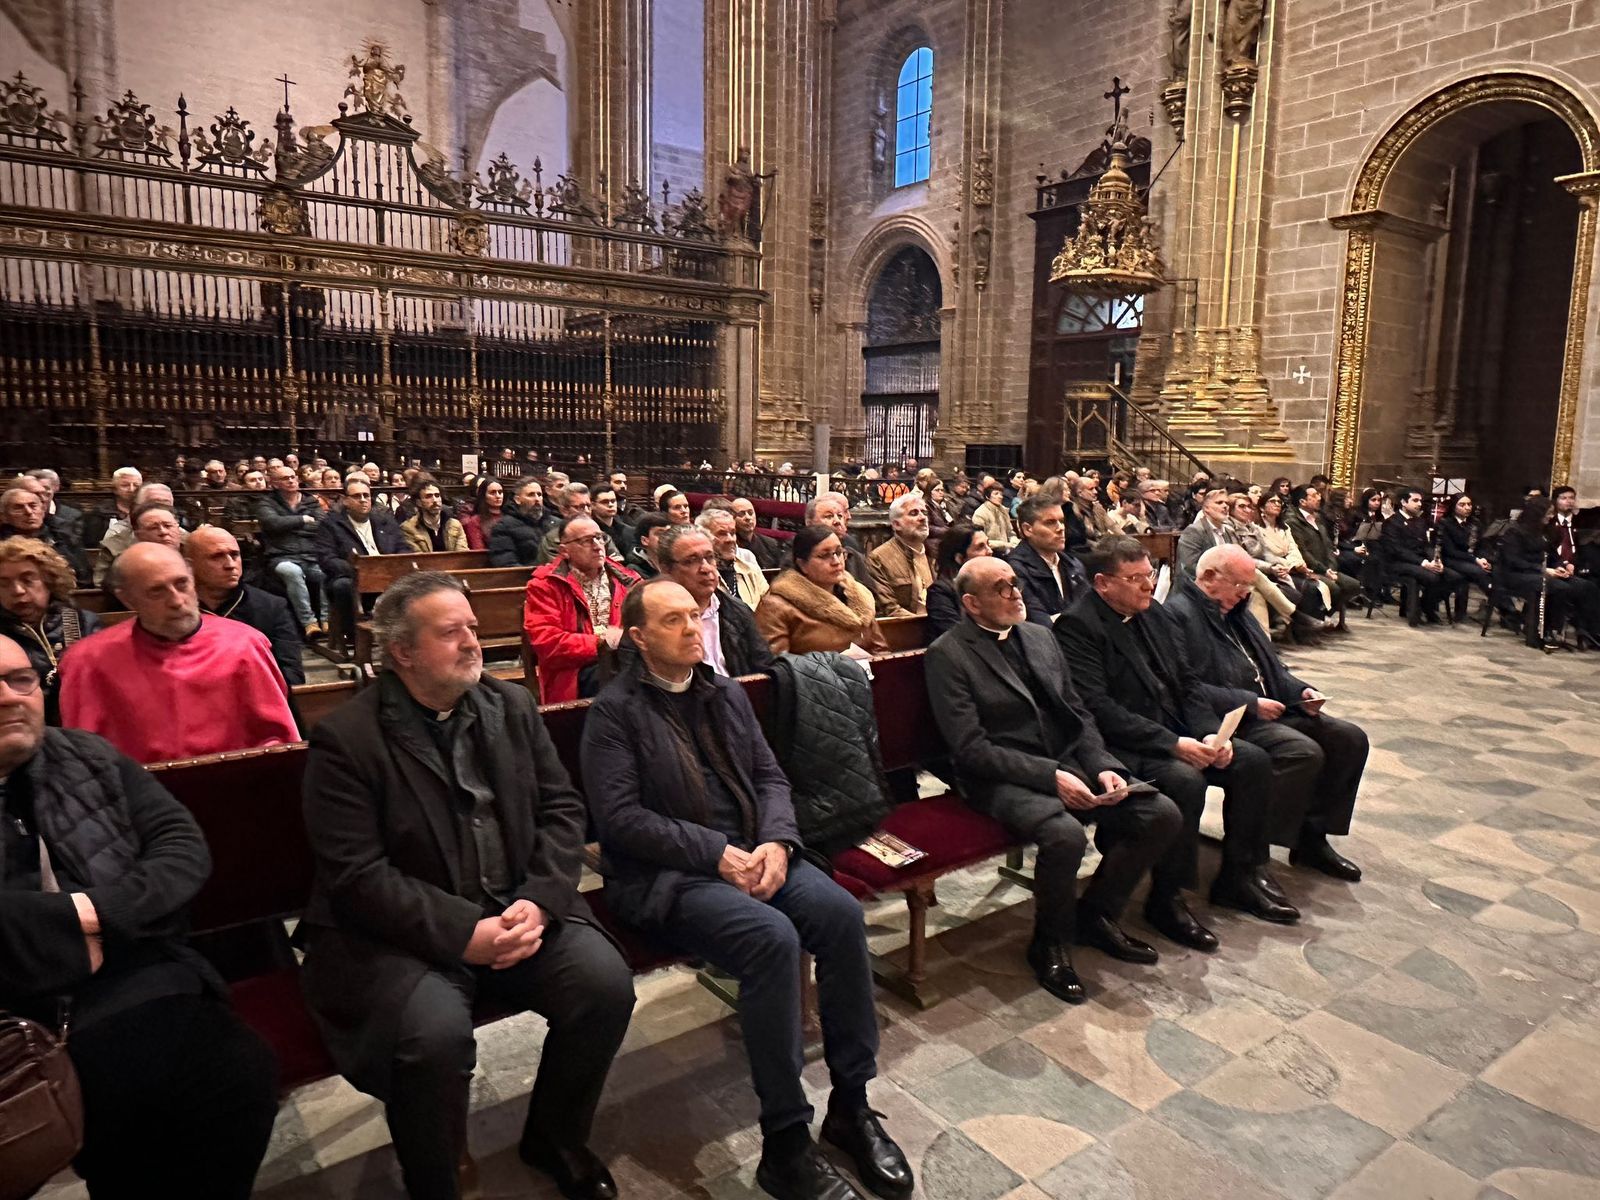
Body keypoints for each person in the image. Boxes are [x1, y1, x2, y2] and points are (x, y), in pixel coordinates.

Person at [300, 572, 634, 1200]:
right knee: (430, 1038)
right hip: (405, 934)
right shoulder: (349, 738)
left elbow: (562, 809)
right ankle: (435, 1176)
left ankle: (556, 1138)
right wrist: (463, 933)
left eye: (474, 629)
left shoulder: (507, 705)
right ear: (402, 651)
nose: (472, 643)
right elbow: (356, 875)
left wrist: (539, 897)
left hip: (515, 905)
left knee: (603, 984)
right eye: (451, 633)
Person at [582, 578, 912, 1200]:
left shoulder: (723, 692)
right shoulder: (615, 712)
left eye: (695, 615)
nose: (692, 627)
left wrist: (780, 843)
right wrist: (716, 853)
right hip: (671, 875)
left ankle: (851, 1104)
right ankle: (786, 1144)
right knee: (772, 939)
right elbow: (620, 819)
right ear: (638, 636)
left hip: (757, 853)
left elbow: (770, 777)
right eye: (673, 619)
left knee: (839, 915)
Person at [0, 634, 279, 1198]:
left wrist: (96, 912)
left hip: (142, 975)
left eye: (20, 679)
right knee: (115, 1107)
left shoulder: (87, 756)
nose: (10, 698)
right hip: (17, 1007)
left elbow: (180, 849)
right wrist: (69, 927)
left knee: (238, 1072)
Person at [926, 557, 1182, 1003]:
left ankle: (1096, 916)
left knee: (1160, 813)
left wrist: (1103, 764)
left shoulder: (1040, 636)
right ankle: (1050, 943)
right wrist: (1053, 776)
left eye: (1015, 583)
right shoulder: (949, 654)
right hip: (999, 776)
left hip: (1065, 760)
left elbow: (1078, 712)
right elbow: (971, 749)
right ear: (971, 603)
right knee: (1064, 836)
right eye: (1002, 588)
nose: (1016, 593)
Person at [1057, 537, 1292, 947]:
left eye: (1149, 575)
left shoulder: (1153, 613)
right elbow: (1098, 708)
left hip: (1176, 731)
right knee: (1185, 780)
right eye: (1135, 579)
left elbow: (1186, 682)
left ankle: (1239, 875)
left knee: (1251, 761)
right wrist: (1173, 743)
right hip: (1123, 743)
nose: (1148, 586)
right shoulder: (1079, 626)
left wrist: (1207, 733)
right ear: (1102, 583)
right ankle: (1167, 897)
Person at [1164, 546, 1367, 880]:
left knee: (1348, 739)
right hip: (1228, 719)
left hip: (1270, 707)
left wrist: (1300, 690)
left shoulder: (1238, 610)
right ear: (1210, 577)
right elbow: (1184, 689)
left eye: (1249, 586)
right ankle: (1251, 856)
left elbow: (1271, 666)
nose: (1245, 593)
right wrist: (1249, 702)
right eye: (1239, 585)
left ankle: (1312, 839)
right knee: (1300, 752)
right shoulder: (1178, 615)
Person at [57, 543, 298, 763]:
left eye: (182, 584)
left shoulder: (245, 644)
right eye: (156, 591)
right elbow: (86, 760)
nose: (176, 601)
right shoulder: (88, 661)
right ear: (127, 598)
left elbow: (280, 741)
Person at [523, 516, 640, 703]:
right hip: (575, 674)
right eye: (586, 541)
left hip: (625, 662)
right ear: (564, 551)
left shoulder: (627, 580)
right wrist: (601, 641)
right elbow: (548, 642)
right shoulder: (545, 586)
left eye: (600, 537)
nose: (597, 545)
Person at [187, 525, 306, 687]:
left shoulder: (272, 607)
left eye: (235, 555)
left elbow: (292, 676)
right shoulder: (177, 610)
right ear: (190, 565)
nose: (230, 564)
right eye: (216, 557)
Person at [0, 537, 102, 724]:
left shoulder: (82, 622)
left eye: (28, 580)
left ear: (49, 581)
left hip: (85, 724)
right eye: (4, 584)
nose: (17, 591)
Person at [656, 524, 776, 676]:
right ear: (666, 570)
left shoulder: (738, 610)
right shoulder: (651, 615)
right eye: (691, 561)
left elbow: (763, 669)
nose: (706, 568)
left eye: (709, 557)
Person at [756, 525, 889, 658]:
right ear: (802, 564)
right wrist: (838, 663)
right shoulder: (775, 606)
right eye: (825, 555)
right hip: (816, 677)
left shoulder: (857, 596)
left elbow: (881, 651)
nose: (836, 562)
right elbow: (778, 666)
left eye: (839, 552)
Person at [315, 473, 410, 641]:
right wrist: (360, 570)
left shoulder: (385, 521)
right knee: (342, 585)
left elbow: (403, 548)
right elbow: (327, 558)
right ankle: (354, 635)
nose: (363, 500)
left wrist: (394, 565)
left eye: (366, 495)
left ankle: (405, 630)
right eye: (357, 496)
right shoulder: (331, 524)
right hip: (353, 575)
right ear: (345, 500)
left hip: (387, 573)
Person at [1498, 495, 1600, 648]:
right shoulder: (1514, 531)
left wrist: (1560, 566)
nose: (1551, 516)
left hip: (1541, 572)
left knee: (1587, 587)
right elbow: (1513, 561)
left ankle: (1589, 630)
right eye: (1548, 513)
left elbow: (1553, 555)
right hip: (1517, 575)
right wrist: (1544, 570)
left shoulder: (1546, 531)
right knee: (1559, 587)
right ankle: (1549, 630)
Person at [257, 462, 328, 639]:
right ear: (274, 483)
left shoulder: (310, 500)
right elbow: (272, 524)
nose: (290, 480)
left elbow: (322, 525)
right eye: (285, 478)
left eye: (292, 477)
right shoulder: (267, 502)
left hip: (311, 555)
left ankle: (328, 621)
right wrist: (303, 519)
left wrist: (289, 524)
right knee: (292, 572)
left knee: (327, 572)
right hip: (281, 556)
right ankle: (309, 623)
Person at [1381, 487, 1460, 623]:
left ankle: (1425, 605)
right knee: (1432, 577)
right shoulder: (1391, 522)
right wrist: (1423, 563)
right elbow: (1397, 550)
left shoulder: (1421, 522)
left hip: (1419, 561)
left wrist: (1436, 561)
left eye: (1420, 501)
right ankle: (1423, 608)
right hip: (1397, 563)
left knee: (1454, 577)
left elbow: (1427, 546)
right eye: (1415, 500)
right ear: (1404, 502)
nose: (1419, 504)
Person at [1009, 496, 1088, 626]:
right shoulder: (1015, 569)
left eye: (1061, 521)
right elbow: (1039, 623)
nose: (1061, 528)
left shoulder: (1073, 564)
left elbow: (1091, 611)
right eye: (1050, 522)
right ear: (1028, 529)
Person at [1283, 484, 1360, 613]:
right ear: (1302, 502)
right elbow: (1303, 551)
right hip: (1309, 569)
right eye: (1314, 496)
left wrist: (1331, 568)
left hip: (1326, 568)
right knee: (1334, 588)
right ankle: (1318, 615)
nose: (1319, 498)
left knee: (1353, 585)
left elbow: (1329, 546)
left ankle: (1325, 612)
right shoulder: (1293, 520)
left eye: (1318, 494)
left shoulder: (1318, 519)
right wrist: (1324, 571)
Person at [1, 484, 92, 585]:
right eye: (18, 508)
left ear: (42, 510)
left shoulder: (64, 536)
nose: (28, 512)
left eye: (33, 506)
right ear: (4, 516)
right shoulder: (3, 543)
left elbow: (84, 575)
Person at [866, 492, 933, 618]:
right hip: (906, 629)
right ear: (896, 524)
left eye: (924, 513)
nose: (923, 518)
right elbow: (889, 608)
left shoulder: (935, 555)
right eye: (914, 513)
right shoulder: (879, 558)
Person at [925, 522, 992, 639]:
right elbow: (957, 637)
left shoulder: (993, 585)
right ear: (959, 558)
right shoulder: (940, 592)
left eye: (988, 544)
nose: (990, 551)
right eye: (980, 547)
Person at [700, 505, 769, 609]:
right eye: (722, 534)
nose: (730, 539)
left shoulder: (751, 570)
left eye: (732, 533)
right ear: (703, 537)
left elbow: (769, 608)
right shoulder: (701, 577)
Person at [538, 484, 621, 564]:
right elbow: (560, 569)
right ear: (564, 510)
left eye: (588, 506)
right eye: (580, 507)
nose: (587, 511)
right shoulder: (552, 541)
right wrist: (603, 562)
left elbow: (618, 564)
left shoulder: (602, 536)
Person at [805, 493, 873, 588]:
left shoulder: (854, 554)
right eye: (828, 516)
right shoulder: (798, 551)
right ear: (809, 523)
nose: (837, 521)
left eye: (840, 516)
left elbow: (872, 592)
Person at [489, 478, 556, 567]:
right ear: (517, 499)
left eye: (539, 495)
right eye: (531, 495)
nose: (537, 499)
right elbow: (506, 564)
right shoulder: (503, 527)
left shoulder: (555, 523)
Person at [1176, 488, 1238, 578]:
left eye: (1227, 503)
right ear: (1206, 508)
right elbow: (1189, 568)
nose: (1225, 506)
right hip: (1197, 587)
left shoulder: (1229, 532)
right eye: (1219, 503)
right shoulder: (1193, 532)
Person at [401, 480, 469, 554]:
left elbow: (462, 555)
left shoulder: (454, 524)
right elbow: (418, 558)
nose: (435, 500)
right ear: (419, 502)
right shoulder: (409, 528)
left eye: (437, 495)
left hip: (453, 565)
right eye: (428, 496)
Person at [733, 496, 786, 570]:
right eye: (741, 514)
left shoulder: (771, 544)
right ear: (732, 518)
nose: (748, 517)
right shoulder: (731, 546)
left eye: (750, 513)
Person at [1064, 475, 1111, 557]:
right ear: (1080, 493)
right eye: (1091, 489)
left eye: (1095, 488)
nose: (1095, 492)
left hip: (1097, 546)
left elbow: (1112, 525)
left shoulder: (1097, 507)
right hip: (1080, 552)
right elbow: (1079, 539)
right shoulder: (1073, 510)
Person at [462, 477, 506, 550]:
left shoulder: (509, 516)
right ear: (483, 496)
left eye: (500, 492)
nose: (498, 496)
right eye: (492, 492)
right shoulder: (475, 521)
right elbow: (479, 551)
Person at [970, 482, 1017, 551]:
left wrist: (1014, 541)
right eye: (996, 494)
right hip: (989, 550)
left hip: (1007, 549)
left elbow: (1010, 532)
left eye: (1001, 494)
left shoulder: (1003, 510)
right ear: (987, 496)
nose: (1000, 496)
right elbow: (980, 540)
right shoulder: (980, 513)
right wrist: (1005, 544)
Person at [626, 511, 671, 579]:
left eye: (669, 533)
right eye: (660, 534)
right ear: (644, 540)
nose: (667, 537)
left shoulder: (676, 563)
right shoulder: (634, 570)